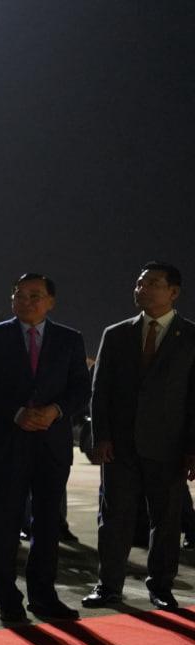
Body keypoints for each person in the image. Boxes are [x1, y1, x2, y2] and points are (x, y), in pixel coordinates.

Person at [0, 274, 91, 622]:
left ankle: (43, 596)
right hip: (7, 441)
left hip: (51, 443)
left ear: (51, 301)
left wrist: (56, 411)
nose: (25, 301)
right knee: (4, 524)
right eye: (19, 295)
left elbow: (80, 388)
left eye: (34, 295)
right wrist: (16, 412)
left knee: (48, 524)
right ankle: (7, 599)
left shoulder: (69, 339)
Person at [85, 261, 195, 610]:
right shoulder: (116, 334)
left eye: (152, 284)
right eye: (139, 283)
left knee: (166, 521)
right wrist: (100, 436)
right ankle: (108, 586)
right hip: (119, 446)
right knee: (114, 519)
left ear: (173, 292)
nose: (142, 289)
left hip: (169, 447)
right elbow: (100, 391)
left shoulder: (190, 337)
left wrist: (192, 449)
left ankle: (161, 586)